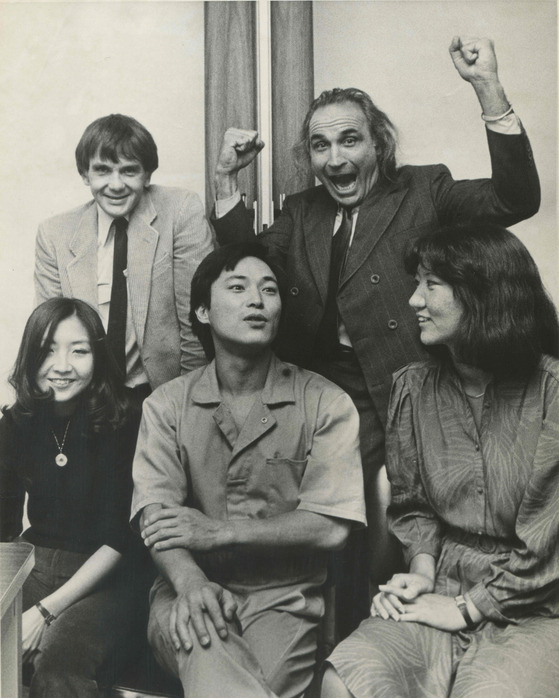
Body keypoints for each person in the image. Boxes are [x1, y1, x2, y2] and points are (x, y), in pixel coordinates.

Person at [210, 36, 540, 635]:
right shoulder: (303, 209)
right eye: (320, 145)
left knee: (420, 521)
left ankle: (441, 632)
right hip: (332, 394)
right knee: (335, 523)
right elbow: (249, 265)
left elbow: (516, 198)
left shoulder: (424, 189)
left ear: (378, 145)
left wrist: (487, 86)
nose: (335, 158)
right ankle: (347, 649)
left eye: (349, 139)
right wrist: (226, 180)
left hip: (421, 389)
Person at [322, 223, 559, 698]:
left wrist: (467, 609)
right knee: (344, 680)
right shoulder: (413, 387)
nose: (413, 300)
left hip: (537, 604)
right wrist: (423, 573)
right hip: (444, 583)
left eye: (431, 284)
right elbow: (414, 506)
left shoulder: (553, 392)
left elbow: (548, 544)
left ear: (482, 294)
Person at [130, 242, 367, 698]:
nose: (257, 300)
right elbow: (156, 519)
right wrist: (192, 582)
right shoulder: (166, 406)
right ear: (202, 310)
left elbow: (332, 529)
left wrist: (219, 531)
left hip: (284, 597)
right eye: (237, 288)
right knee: (204, 640)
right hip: (187, 587)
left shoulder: (325, 402)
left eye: (269, 290)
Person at [0, 298, 151, 697]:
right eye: (48, 350)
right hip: (36, 564)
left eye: (78, 350)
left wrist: (44, 612)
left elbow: (123, 537)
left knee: (59, 669)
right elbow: (3, 531)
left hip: (110, 576)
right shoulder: (16, 423)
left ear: (97, 357)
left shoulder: (128, 418)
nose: (62, 365)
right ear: (30, 356)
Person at [34, 114, 214, 401]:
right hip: (84, 400)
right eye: (103, 170)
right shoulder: (54, 234)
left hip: (162, 396)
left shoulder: (180, 211)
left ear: (147, 175)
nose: (116, 185)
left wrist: (187, 407)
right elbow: (49, 338)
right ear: (84, 174)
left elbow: (197, 326)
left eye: (129, 171)